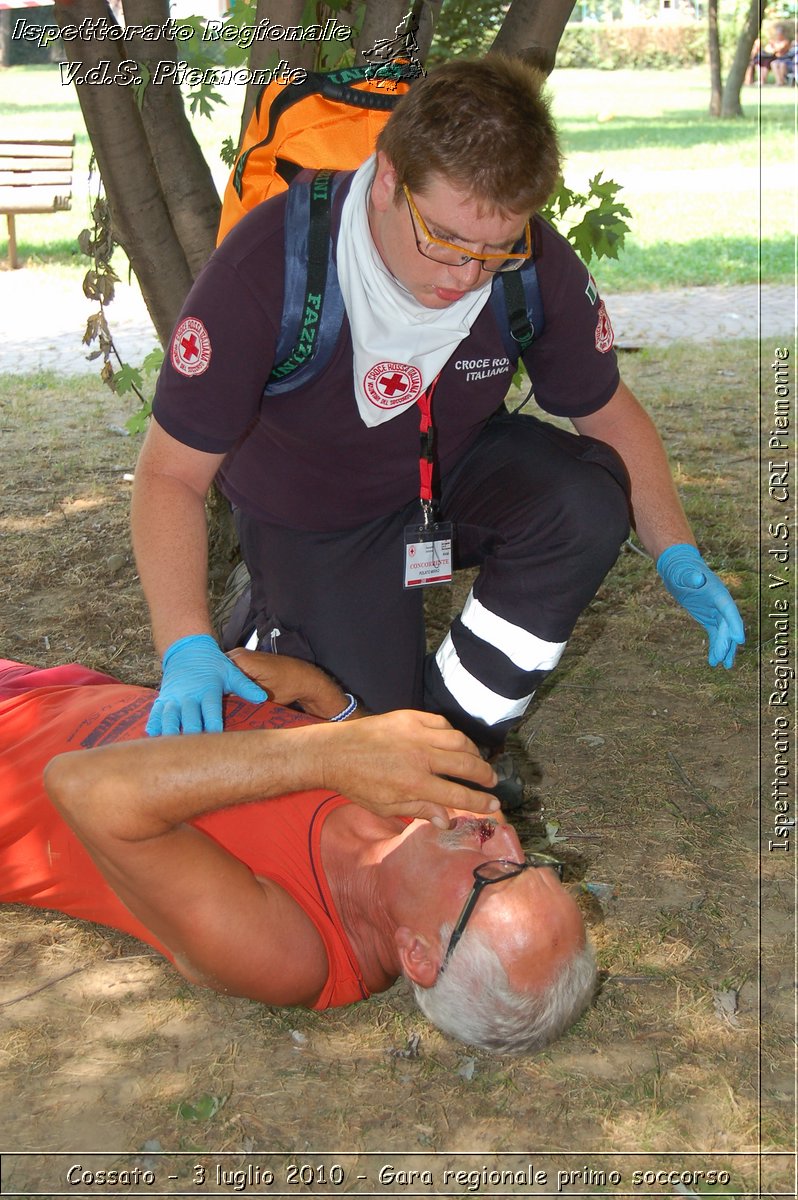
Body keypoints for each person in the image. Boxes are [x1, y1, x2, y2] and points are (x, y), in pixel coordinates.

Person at [131, 55, 744, 770]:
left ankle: (457, 736)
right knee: (360, 743)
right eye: (445, 242)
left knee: (584, 503)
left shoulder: (530, 268)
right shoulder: (271, 266)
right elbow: (169, 477)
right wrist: (184, 644)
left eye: (495, 250)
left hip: (442, 479)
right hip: (313, 519)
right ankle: (276, 623)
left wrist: (677, 552)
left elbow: (609, 414)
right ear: (389, 178)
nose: (466, 276)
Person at [1, 653, 593, 1054]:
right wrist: (324, 698)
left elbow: (82, 787)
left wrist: (325, 752)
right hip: (52, 691)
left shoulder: (293, 956)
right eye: (534, 862)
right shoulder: (416, 837)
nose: (504, 831)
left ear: (418, 953)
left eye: (495, 875)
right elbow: (360, 749)